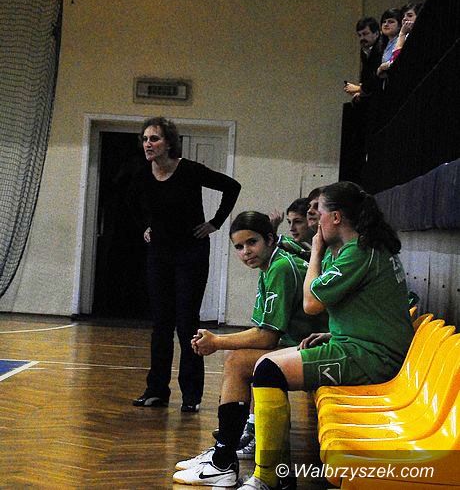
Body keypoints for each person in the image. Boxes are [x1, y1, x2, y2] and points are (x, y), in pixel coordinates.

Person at [240, 181, 415, 489]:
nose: (315, 222)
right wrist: (333, 335)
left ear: (335, 217)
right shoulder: (365, 248)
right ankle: (276, 473)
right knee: (264, 364)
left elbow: (310, 304)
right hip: (364, 347)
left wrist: (317, 252)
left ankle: (270, 476)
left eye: (318, 213)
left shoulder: (358, 252)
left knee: (268, 371)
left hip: (371, 357)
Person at [172, 211, 325, 487]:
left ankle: (223, 460)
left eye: (252, 242)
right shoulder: (272, 264)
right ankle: (225, 454)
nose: (246, 252)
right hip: (302, 344)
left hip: (320, 347)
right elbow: (264, 333)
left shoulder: (281, 268)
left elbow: (266, 337)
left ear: (269, 240)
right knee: (241, 360)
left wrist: (217, 342)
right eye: (239, 247)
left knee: (239, 362)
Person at [131, 117, 241, 412]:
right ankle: (156, 390)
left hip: (190, 253)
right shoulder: (143, 174)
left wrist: (215, 223)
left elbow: (232, 187)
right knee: (161, 324)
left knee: (186, 323)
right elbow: (137, 204)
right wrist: (146, 225)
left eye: (154, 138)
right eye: (145, 139)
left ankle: (191, 395)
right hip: (159, 254)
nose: (148, 144)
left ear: (168, 143)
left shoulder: (190, 170)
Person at [344, 17, 382, 102]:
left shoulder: (380, 49)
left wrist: (359, 89)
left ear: (376, 34)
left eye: (365, 34)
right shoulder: (366, 49)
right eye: (359, 35)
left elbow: (377, 77)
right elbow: (366, 74)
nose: (362, 38)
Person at [377, 8, 402, 78]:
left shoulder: (402, 40)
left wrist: (381, 68)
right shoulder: (384, 44)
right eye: (384, 22)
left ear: (399, 25)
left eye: (391, 22)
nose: (386, 24)